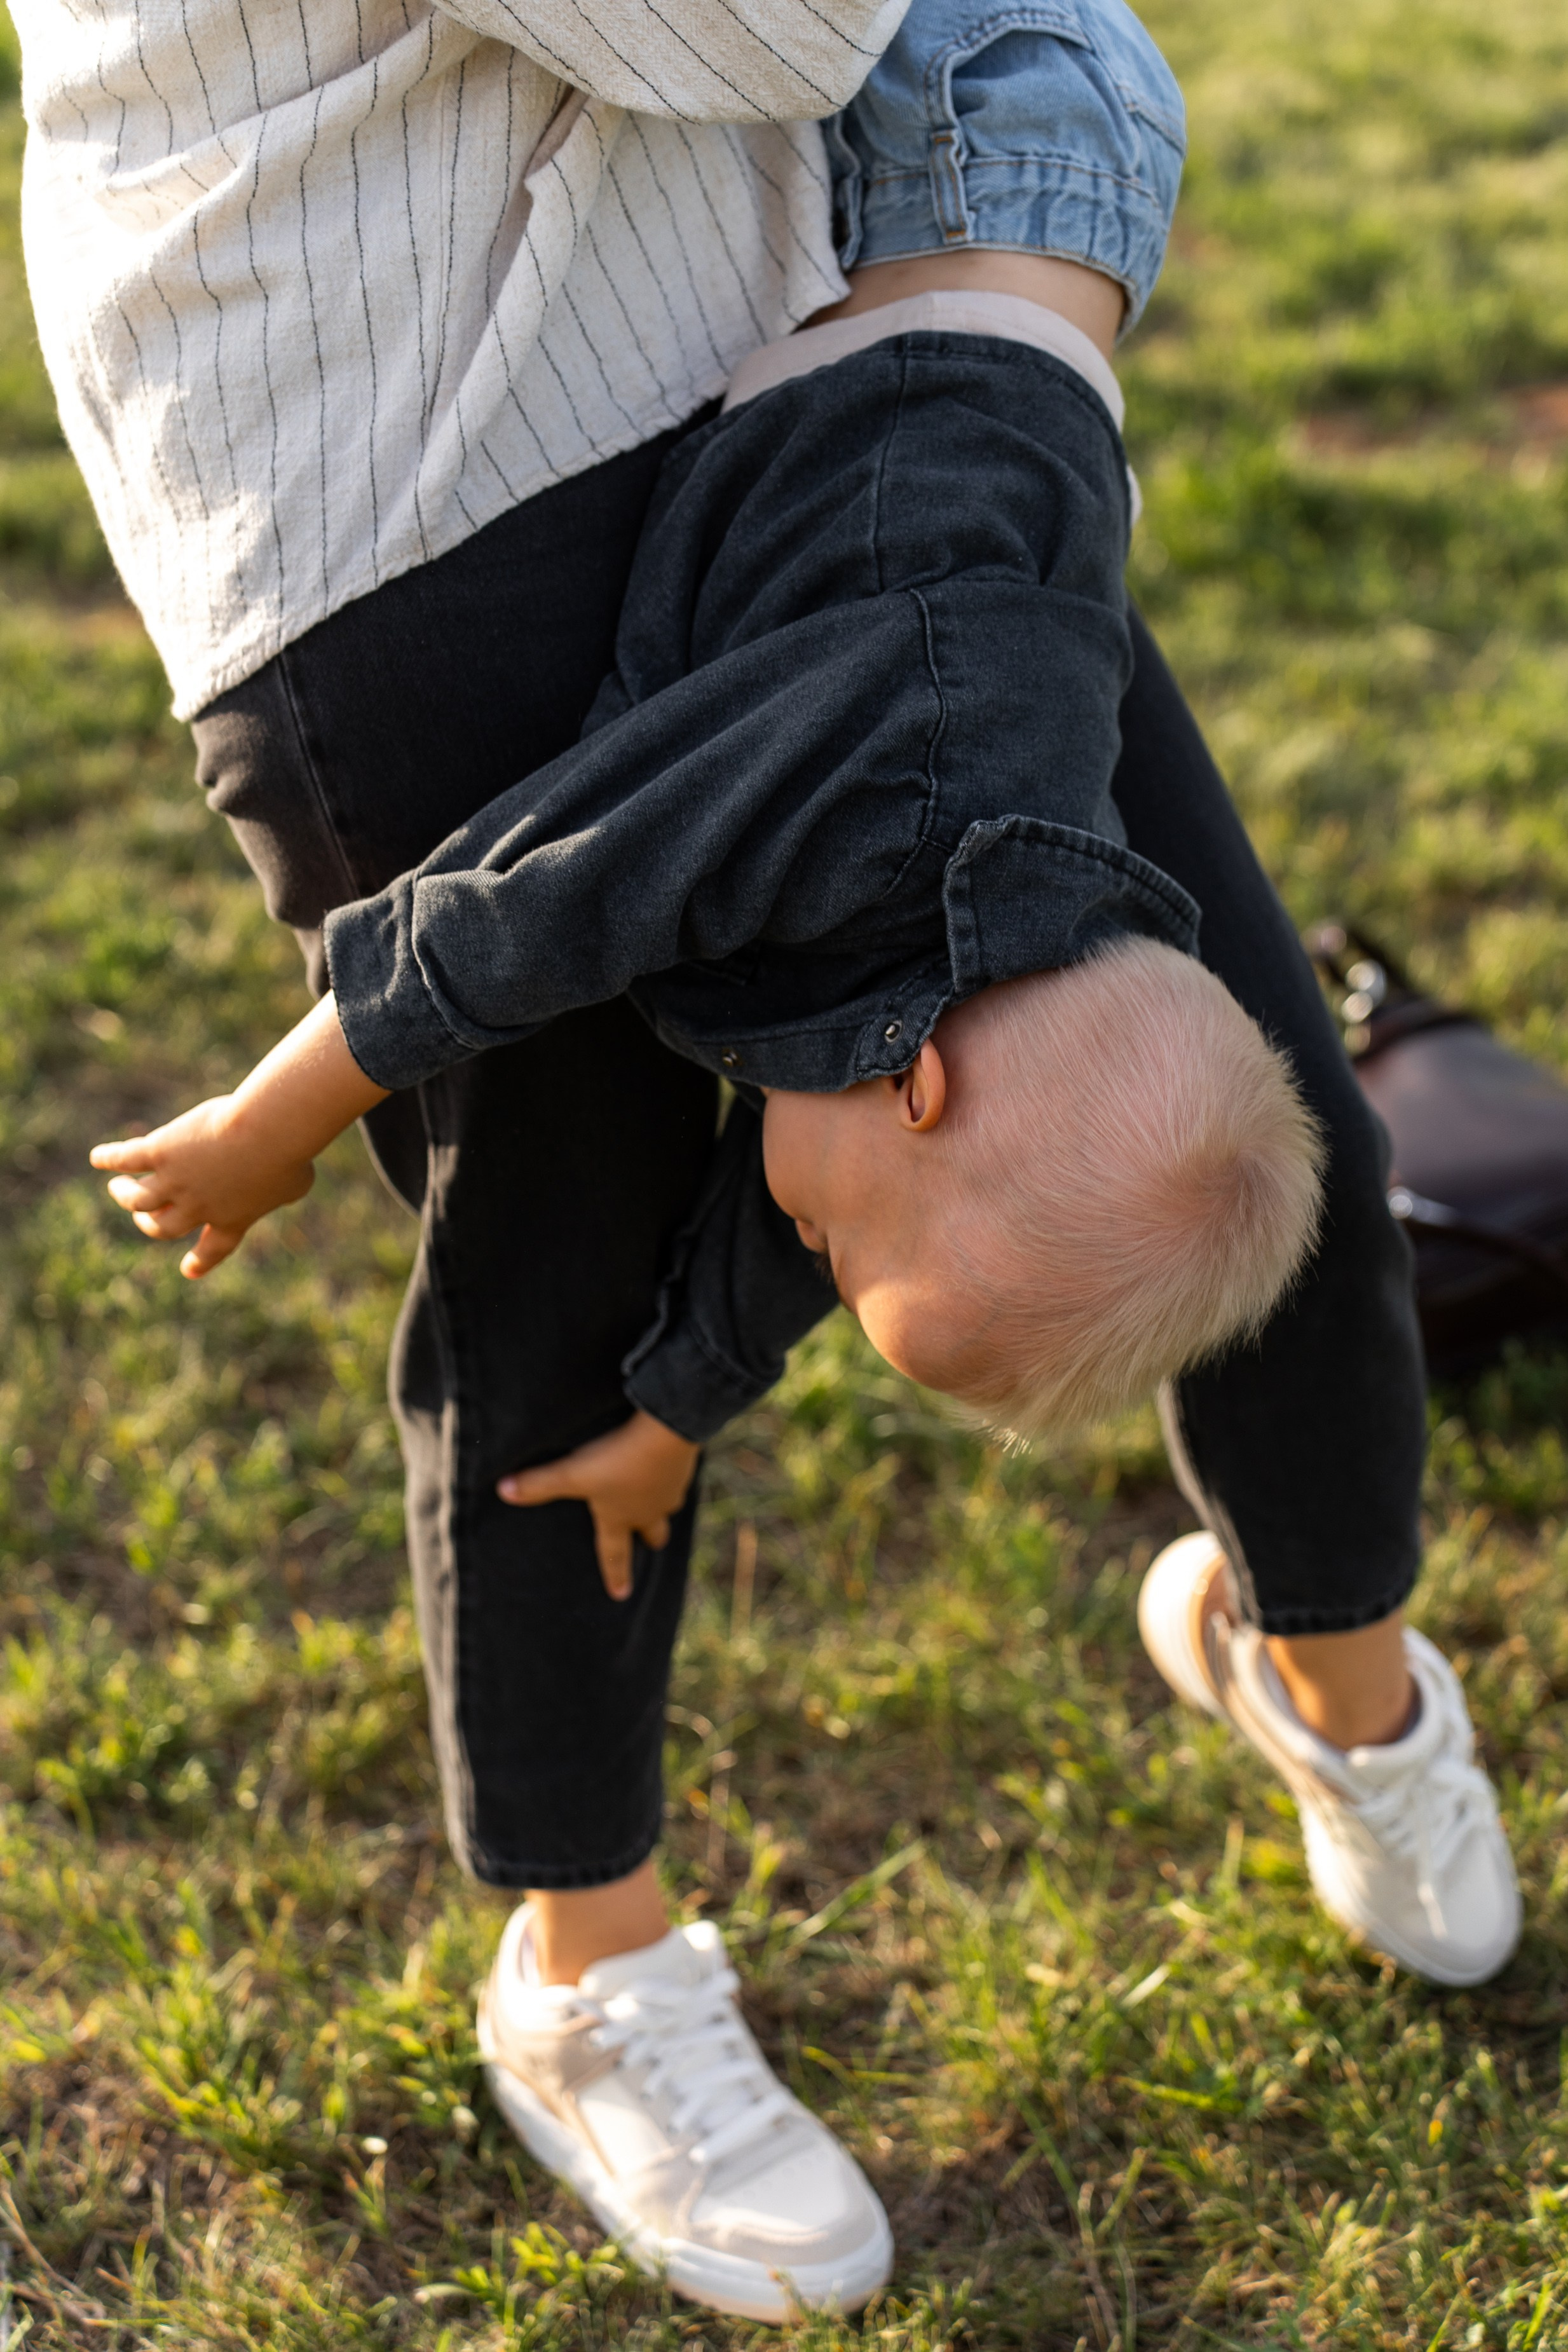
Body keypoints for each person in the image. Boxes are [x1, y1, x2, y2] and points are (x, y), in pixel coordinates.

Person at [19, 0, 1513, 2317]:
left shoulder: (980, 981)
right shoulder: (831, 785)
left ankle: (1320, 1666)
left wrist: (692, 1392)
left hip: (827, 362)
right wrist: (268, 1120)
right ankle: (582, 1969)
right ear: (908, 1071)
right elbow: (528, 907)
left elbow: (841, 1203)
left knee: (1266, 1141)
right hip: (645, 341)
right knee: (556, 1282)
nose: (780, 1213)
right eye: (815, 1216)